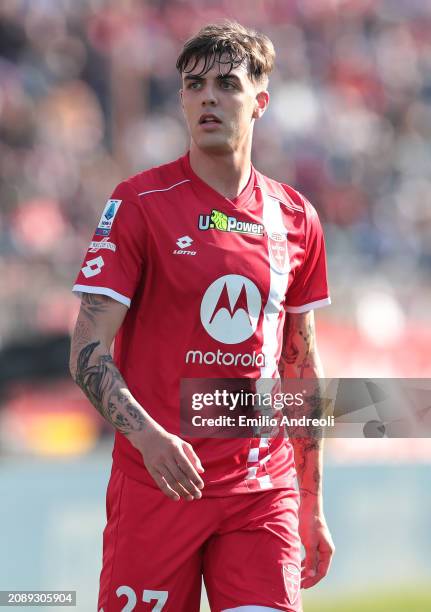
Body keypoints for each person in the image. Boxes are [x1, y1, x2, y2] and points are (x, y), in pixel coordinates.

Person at [70, 20, 334, 612]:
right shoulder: (138, 203)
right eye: (193, 85)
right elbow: (87, 350)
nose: (208, 96)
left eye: (226, 83)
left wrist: (311, 502)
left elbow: (301, 368)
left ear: (259, 101)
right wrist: (149, 438)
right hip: (157, 484)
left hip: (260, 489)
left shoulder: (296, 218)